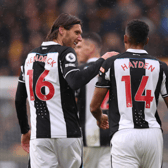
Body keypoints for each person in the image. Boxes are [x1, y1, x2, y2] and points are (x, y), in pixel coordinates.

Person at [15, 13, 117, 168]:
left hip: (40, 136)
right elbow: (75, 81)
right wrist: (102, 60)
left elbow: (19, 100)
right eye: (77, 33)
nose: (80, 38)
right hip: (68, 134)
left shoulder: (30, 56)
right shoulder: (65, 53)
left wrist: (25, 130)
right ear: (61, 30)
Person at [90, 19, 168, 168]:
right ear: (147, 40)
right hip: (153, 135)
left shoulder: (112, 64)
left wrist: (100, 118)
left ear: (125, 38)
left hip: (124, 134)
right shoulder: (160, 66)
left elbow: (94, 106)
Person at [75, 32, 114, 168]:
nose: (76, 51)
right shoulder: (114, 69)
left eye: (79, 47)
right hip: (114, 134)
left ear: (91, 47)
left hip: (89, 135)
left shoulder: (79, 73)